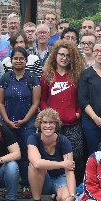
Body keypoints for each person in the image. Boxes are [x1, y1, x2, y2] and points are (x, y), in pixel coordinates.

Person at [0, 47, 41, 198]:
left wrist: (25, 120)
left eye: (21, 58)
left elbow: (35, 103)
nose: (18, 61)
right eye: (15, 58)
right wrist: (7, 121)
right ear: (11, 60)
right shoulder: (5, 78)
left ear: (26, 60)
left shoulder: (32, 78)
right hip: (7, 123)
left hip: (27, 124)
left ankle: (25, 185)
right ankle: (7, 185)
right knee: (7, 154)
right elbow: (0, 102)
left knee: (25, 154)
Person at [40, 40, 85, 184]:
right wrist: (48, 115)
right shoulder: (47, 76)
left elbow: (82, 98)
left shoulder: (76, 75)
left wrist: (77, 113)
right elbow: (42, 99)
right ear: (55, 55)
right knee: (56, 156)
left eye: (67, 55)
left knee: (76, 156)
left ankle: (76, 188)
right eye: (61, 54)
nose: (64, 58)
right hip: (54, 126)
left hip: (73, 124)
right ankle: (58, 188)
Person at [27, 108, 76, 201]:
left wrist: (72, 196)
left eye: (51, 122)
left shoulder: (64, 141)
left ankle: (56, 198)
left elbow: (69, 169)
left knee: (65, 199)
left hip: (59, 177)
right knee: (35, 166)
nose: (47, 126)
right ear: (39, 124)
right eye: (44, 122)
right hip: (41, 178)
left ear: (56, 124)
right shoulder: (33, 138)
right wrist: (62, 164)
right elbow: (36, 162)